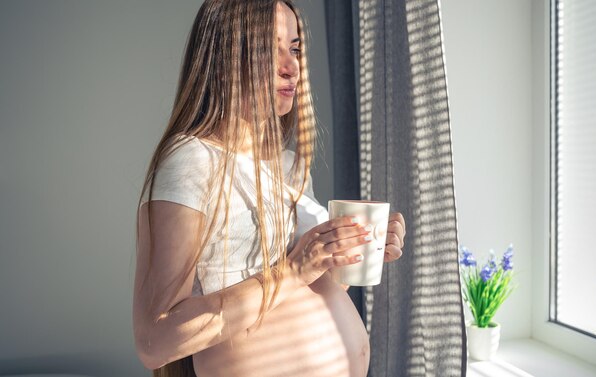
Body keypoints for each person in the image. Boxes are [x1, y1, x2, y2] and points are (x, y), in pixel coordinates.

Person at [132, 1, 406, 376]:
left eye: (294, 48)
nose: (292, 65)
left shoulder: (288, 164)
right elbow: (154, 340)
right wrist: (294, 268)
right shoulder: (191, 160)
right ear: (224, 57)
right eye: (269, 48)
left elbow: (301, 294)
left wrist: (349, 252)